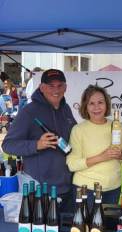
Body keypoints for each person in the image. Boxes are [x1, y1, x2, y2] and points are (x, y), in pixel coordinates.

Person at [2, 69, 76, 212]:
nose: (56, 90)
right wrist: (37, 144)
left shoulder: (66, 109)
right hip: (40, 191)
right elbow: (8, 145)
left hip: (68, 187)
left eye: (60, 85)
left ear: (65, 87)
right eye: (51, 86)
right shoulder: (29, 111)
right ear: (42, 87)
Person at [67, 85, 122, 206]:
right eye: (91, 103)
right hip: (86, 189)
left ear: (106, 104)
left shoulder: (117, 126)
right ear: (85, 107)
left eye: (100, 102)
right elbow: (72, 164)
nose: (96, 107)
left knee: (107, 225)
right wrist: (102, 157)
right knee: (88, 225)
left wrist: (121, 155)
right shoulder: (78, 130)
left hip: (113, 188)